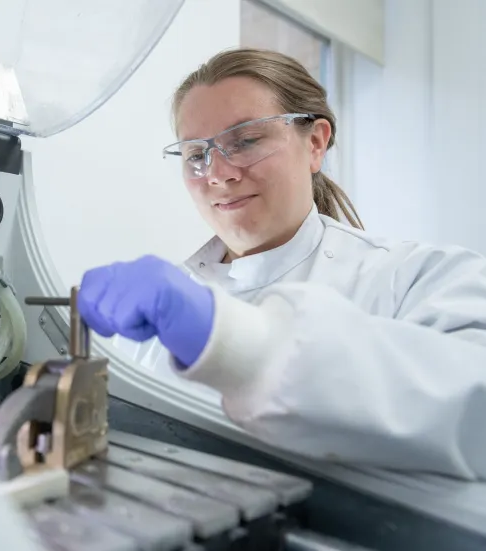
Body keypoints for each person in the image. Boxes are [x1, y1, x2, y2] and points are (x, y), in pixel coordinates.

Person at [77, 48, 486, 481]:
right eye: (196, 154)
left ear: (314, 143)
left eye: (245, 141)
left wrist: (234, 341)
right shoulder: (152, 311)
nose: (217, 173)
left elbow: (474, 411)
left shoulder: (418, 278)